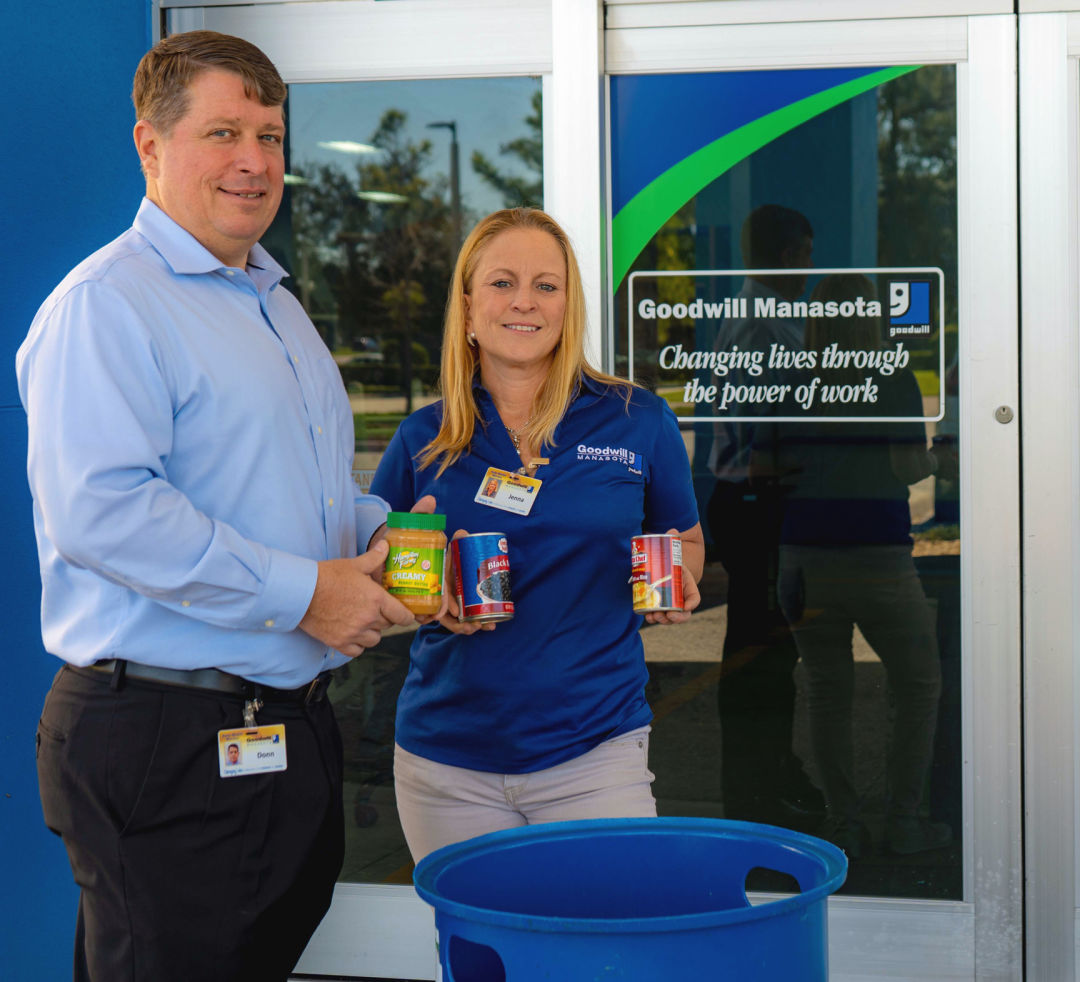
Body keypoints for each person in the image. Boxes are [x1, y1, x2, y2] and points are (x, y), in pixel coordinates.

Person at [16, 30, 424, 982]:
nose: (255, 160)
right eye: (225, 132)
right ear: (149, 147)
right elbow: (105, 511)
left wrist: (385, 541)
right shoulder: (108, 305)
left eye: (273, 135)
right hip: (166, 735)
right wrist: (304, 595)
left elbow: (292, 493)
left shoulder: (273, 301)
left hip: (282, 727)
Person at [370, 207, 705, 863]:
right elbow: (376, 570)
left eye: (546, 285)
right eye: (502, 283)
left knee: (605, 956)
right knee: (480, 957)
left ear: (568, 306)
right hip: (446, 762)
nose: (524, 301)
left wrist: (679, 581)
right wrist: (423, 589)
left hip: (595, 751)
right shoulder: (424, 438)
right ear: (467, 307)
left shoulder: (637, 421)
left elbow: (685, 540)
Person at [760, 273, 951, 858]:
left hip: (803, 556)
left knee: (826, 690)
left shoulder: (790, 379)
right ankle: (904, 822)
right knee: (919, 685)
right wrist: (942, 456)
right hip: (878, 559)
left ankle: (844, 821)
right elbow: (905, 468)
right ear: (869, 317)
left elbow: (764, 469)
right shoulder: (890, 376)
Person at [706, 204, 824, 827]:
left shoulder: (764, 318)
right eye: (805, 254)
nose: (809, 269)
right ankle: (756, 786)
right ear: (785, 256)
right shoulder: (761, 326)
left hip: (755, 499)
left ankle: (767, 773)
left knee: (766, 649)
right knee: (759, 651)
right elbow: (765, 440)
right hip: (756, 502)